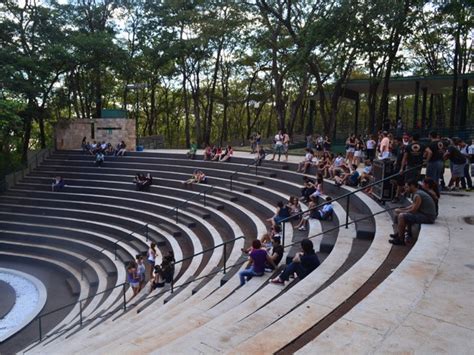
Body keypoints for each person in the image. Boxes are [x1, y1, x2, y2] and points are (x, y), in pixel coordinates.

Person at [389, 180, 437, 246]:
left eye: (406, 187)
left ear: (412, 186)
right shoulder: (417, 193)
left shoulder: (417, 195)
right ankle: (399, 233)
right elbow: (411, 206)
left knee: (401, 216)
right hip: (425, 214)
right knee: (399, 213)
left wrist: (402, 212)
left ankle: (401, 239)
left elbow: (413, 210)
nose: (405, 189)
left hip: (428, 217)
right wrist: (401, 209)